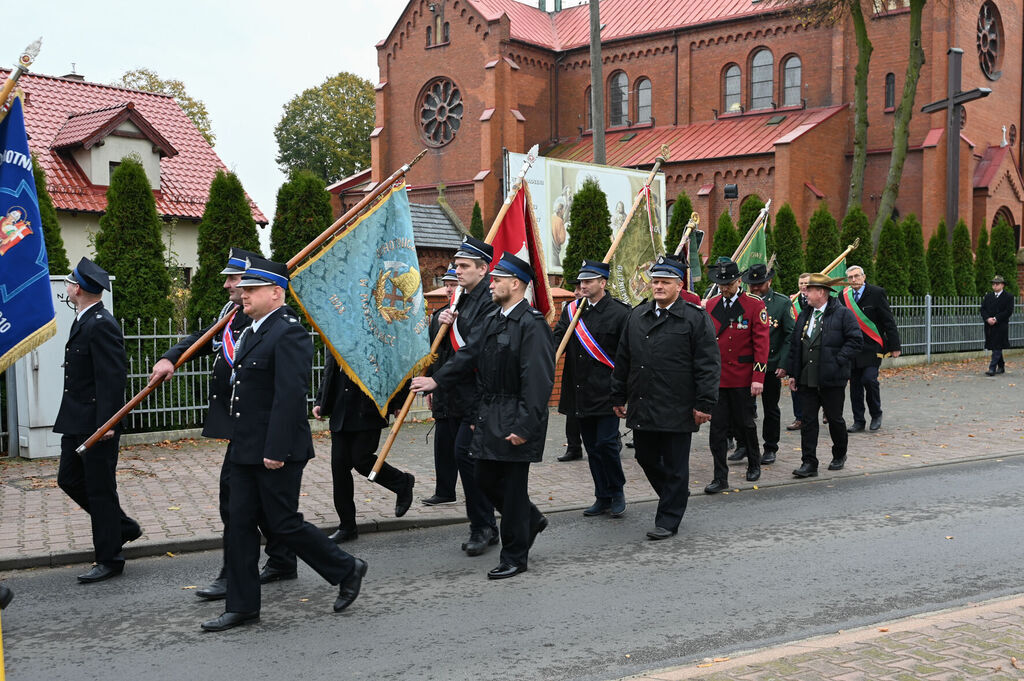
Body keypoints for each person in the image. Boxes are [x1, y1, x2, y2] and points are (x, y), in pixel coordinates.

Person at [203, 257, 367, 632]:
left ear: (276, 293)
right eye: (243, 288)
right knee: (240, 524)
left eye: (252, 289)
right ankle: (242, 606)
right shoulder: (251, 330)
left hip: (278, 449)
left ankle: (346, 567)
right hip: (245, 447)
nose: (243, 293)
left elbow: (289, 397)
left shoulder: (288, 332)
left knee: (282, 524)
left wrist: (275, 450)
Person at [151, 247, 296, 601]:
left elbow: (286, 391)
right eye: (232, 280)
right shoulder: (233, 314)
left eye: (235, 279)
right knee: (248, 502)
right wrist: (172, 357)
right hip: (239, 423)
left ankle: (241, 573)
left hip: (257, 425)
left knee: (240, 503)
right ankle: (281, 559)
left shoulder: (264, 319)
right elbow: (204, 338)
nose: (230, 285)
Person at [412, 252, 554, 579]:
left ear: (515, 284)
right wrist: (437, 380)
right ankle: (529, 521)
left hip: (516, 415)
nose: (493, 283)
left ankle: (515, 555)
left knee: (513, 489)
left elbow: (538, 382)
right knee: (483, 478)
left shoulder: (531, 325)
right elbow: (468, 355)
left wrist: (525, 426)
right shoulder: (494, 319)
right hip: (490, 411)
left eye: (498, 279)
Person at [610, 255, 720, 540]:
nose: (657, 286)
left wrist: (704, 403)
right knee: (646, 457)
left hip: (678, 406)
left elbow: (707, 364)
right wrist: (618, 394)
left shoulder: (695, 318)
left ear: (679, 285)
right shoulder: (637, 315)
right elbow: (623, 359)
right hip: (643, 403)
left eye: (664, 282)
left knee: (674, 464)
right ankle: (675, 493)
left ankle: (668, 518)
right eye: (655, 281)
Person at [55, 258, 142, 584]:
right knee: (69, 479)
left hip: (96, 424)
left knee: (100, 489)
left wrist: (106, 424)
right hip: (76, 418)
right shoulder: (84, 318)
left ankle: (110, 558)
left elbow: (112, 377)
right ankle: (122, 527)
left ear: (77, 288)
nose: (67, 287)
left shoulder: (101, 323)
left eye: (69, 283)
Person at [429, 236, 500, 555]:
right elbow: (446, 343)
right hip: (459, 395)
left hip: (481, 394)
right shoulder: (464, 298)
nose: (455, 271)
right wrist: (442, 321)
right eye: (456, 265)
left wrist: (435, 381)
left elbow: (473, 350)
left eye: (462, 266)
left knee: (469, 459)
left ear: (483, 269)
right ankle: (503, 520)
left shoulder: (488, 301)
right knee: (471, 461)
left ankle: (484, 526)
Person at [553, 260, 631, 517]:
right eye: (581, 282)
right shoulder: (572, 310)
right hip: (579, 390)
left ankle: (617, 490)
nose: (583, 286)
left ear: (603, 283)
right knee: (592, 446)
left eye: (588, 281)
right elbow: (557, 338)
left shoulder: (620, 313)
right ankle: (602, 495)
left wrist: (623, 392)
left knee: (607, 443)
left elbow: (627, 356)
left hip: (607, 391)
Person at [313, 353, 415, 542]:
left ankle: (402, 482)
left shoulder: (378, 328)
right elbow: (330, 369)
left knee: (361, 460)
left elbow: (398, 364)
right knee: (339, 468)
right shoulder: (336, 330)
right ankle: (347, 526)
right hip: (341, 409)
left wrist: (399, 402)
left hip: (368, 407)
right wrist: (321, 401)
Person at [785, 274, 863, 478]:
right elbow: (795, 345)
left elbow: (855, 341)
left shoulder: (843, 314)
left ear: (821, 292)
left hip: (832, 379)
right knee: (808, 421)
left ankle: (839, 454)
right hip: (807, 378)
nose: (805, 293)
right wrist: (793, 373)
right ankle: (809, 462)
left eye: (809, 290)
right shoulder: (804, 314)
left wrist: (838, 361)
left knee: (835, 419)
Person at [704, 259, 769, 492]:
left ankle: (754, 462)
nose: (724, 288)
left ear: (739, 281)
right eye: (721, 284)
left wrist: (758, 378)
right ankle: (720, 477)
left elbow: (761, 343)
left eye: (728, 284)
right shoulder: (710, 305)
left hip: (742, 377)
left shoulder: (753, 304)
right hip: (719, 378)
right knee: (717, 430)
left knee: (745, 424)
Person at [743, 264, 794, 465]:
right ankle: (743, 445)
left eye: (759, 285)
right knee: (744, 408)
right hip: (747, 365)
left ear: (769, 282)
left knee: (770, 408)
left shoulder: (781, 303)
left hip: (772, 365)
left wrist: (784, 363)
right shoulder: (743, 302)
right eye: (752, 285)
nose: (755, 289)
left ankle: (770, 447)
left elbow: (790, 335)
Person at [840, 265, 901, 432]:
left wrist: (895, 346)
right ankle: (858, 421)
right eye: (850, 277)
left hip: (873, 346)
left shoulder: (876, 293)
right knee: (855, 387)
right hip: (852, 348)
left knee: (869, 379)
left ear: (864, 277)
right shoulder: (843, 296)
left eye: (857, 276)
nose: (854, 280)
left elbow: (888, 321)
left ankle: (876, 414)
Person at [422, 265, 461, 505]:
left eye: (454, 283)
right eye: (447, 283)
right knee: (443, 445)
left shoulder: (470, 315)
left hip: (463, 392)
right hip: (442, 391)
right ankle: (445, 490)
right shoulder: (438, 315)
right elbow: (433, 354)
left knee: (465, 448)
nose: (448, 288)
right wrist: (430, 387)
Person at [558, 279, 585, 462]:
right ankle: (573, 447)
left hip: (598, 373)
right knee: (572, 412)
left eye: (579, 288)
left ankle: (613, 442)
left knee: (600, 413)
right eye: (575, 288)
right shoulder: (569, 310)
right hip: (574, 369)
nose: (576, 292)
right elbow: (558, 335)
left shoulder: (613, 311)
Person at [787, 273, 812, 431]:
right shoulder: (791, 302)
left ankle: (824, 412)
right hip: (797, 350)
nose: (803, 286)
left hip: (813, 349)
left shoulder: (817, 301)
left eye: (806, 283)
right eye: (801, 283)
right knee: (795, 385)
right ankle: (799, 418)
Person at [981, 275, 1014, 376]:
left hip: (1001, 325)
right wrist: (987, 318)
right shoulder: (988, 296)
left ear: (1002, 285)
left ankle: (992, 368)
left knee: (997, 346)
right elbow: (983, 309)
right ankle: (1001, 366)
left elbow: (1008, 311)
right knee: (994, 346)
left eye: (997, 284)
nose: (994, 286)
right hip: (989, 325)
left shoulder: (1008, 297)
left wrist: (996, 319)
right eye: (993, 284)